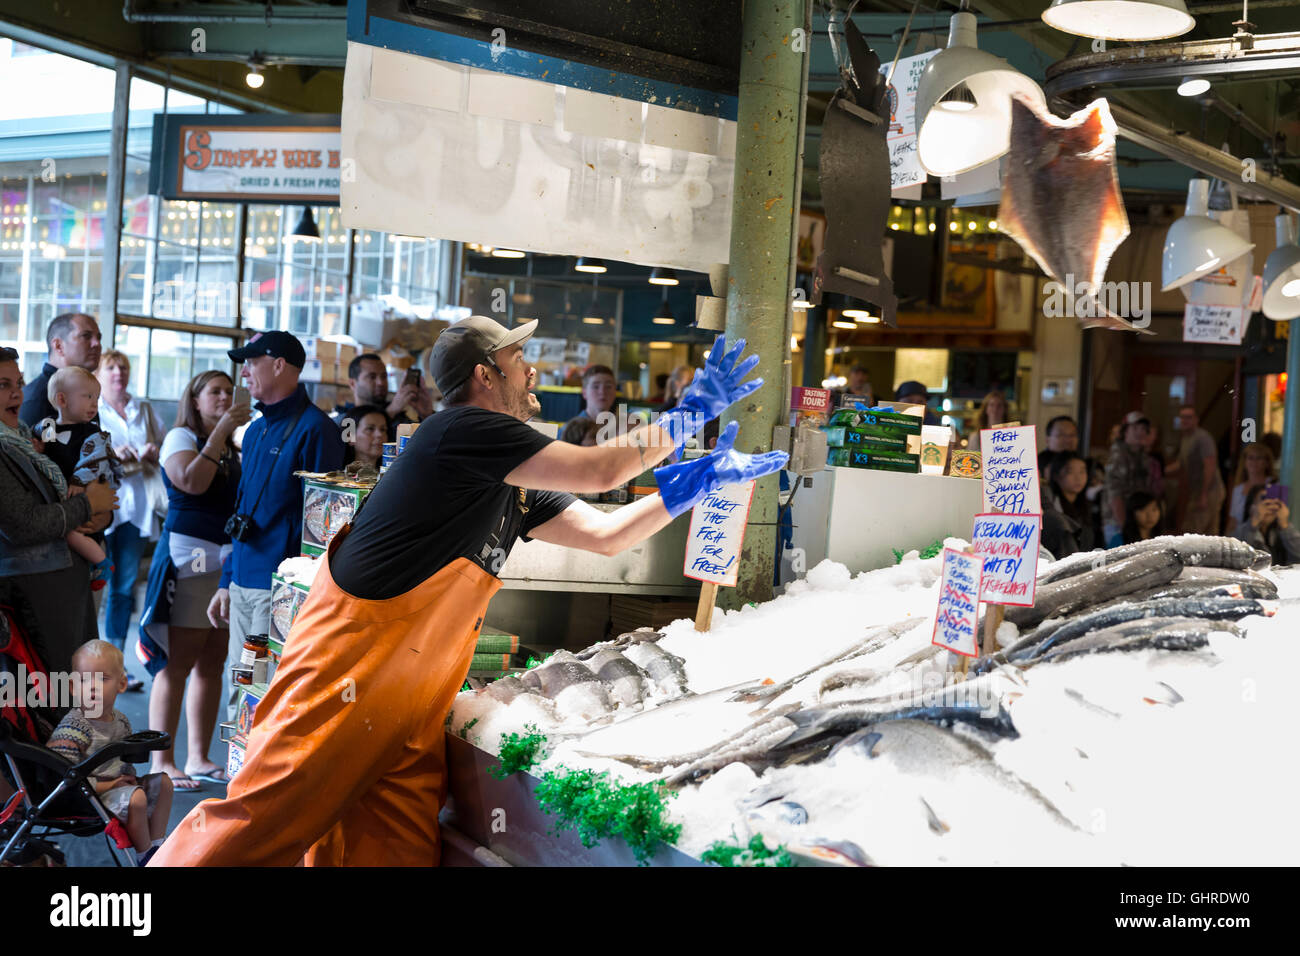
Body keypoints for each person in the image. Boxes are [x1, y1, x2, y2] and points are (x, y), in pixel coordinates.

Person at [150, 318, 786, 867]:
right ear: (485, 375)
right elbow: (601, 471)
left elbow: (606, 536)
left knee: (388, 847)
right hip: (341, 678)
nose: (531, 370)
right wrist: (693, 411)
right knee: (257, 824)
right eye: (518, 359)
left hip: (410, 703)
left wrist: (691, 488)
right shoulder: (461, 430)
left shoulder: (510, 474)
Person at [209, 331, 345, 722]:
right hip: (243, 581)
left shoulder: (318, 430)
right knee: (239, 683)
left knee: (268, 689)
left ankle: (262, 778)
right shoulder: (253, 431)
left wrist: (306, 590)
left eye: (252, 362)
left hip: (282, 586)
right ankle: (240, 776)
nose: (245, 372)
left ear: (279, 365)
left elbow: (325, 523)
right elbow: (242, 512)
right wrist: (225, 581)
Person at [139, 369, 249, 791]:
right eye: (214, 392)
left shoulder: (230, 448)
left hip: (223, 561)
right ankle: (161, 760)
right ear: (195, 398)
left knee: (213, 662)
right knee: (177, 662)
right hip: (188, 559)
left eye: (227, 391)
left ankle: (199, 756)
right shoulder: (181, 438)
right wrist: (222, 430)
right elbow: (191, 482)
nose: (223, 398)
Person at [0, 347, 117, 674]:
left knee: (70, 694)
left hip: (57, 590)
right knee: (49, 701)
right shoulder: (12, 444)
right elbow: (24, 524)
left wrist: (99, 512)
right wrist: (88, 504)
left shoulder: (22, 438)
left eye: (19, 383)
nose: (16, 393)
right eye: (3, 385)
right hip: (33, 598)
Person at [47, 640, 173, 865]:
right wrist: (111, 785)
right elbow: (62, 779)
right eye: (85, 680)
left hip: (121, 787)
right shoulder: (74, 727)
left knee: (164, 783)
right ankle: (146, 855)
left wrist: (127, 779)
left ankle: (157, 843)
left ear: (122, 684)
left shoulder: (121, 721)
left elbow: (122, 760)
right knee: (137, 798)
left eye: (102, 679)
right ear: (73, 687)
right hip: (88, 796)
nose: (92, 687)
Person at [95, 350, 166, 692]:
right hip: (100, 511)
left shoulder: (144, 409)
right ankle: (86, 664)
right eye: (111, 367)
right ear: (98, 374)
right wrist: (110, 454)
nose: (118, 372)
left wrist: (153, 450)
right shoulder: (93, 410)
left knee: (122, 588)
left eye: (122, 366)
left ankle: (115, 666)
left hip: (136, 511)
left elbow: (168, 446)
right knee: (92, 590)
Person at [19, 312, 102, 429]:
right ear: (58, 346)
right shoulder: (37, 400)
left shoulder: (85, 390)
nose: (97, 344)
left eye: (99, 337)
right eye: (86, 336)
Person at [333, 353, 431, 441]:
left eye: (384, 377)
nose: (380, 383)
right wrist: (390, 412)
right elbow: (349, 451)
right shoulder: (345, 421)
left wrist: (426, 415)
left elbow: (425, 446)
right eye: (372, 377)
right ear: (352, 384)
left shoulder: (400, 420)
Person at [1169, 404, 1225, 535]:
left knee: (1194, 531)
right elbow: (1180, 464)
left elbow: (1209, 465)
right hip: (1198, 491)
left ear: (1196, 419)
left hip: (1210, 491)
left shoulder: (1202, 438)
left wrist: (1204, 494)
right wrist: (1161, 471)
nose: (1185, 420)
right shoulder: (1186, 438)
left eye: (1188, 417)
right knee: (1204, 532)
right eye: (1182, 417)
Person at [1102, 411, 1155, 548]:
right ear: (1125, 431)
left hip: (1136, 522)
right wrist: (1126, 528)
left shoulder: (1142, 455)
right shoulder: (1118, 456)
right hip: (1118, 523)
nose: (1140, 432)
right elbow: (1115, 496)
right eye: (1135, 428)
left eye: (1144, 429)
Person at [1041, 452, 1098, 558]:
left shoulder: (1087, 505)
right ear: (1056, 475)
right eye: (1070, 472)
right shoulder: (1050, 504)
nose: (1078, 478)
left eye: (1082, 471)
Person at [1231, 488, 1300, 566]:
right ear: (1251, 507)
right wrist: (1253, 524)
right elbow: (1237, 557)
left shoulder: (1283, 531)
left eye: (1275, 502)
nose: (1270, 507)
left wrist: (1284, 526)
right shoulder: (1240, 532)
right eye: (1264, 499)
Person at [1228, 442, 1276, 527]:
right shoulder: (1238, 489)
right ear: (1245, 462)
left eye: (1259, 458)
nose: (1254, 462)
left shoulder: (1273, 485)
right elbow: (1233, 520)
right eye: (1250, 458)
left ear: (1267, 463)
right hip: (1240, 536)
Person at [565, 365, 617, 433]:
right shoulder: (570, 432)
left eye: (608, 386)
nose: (602, 392)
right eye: (595, 387)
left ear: (615, 392)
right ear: (584, 393)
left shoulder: (622, 431)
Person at [338, 403, 389, 470]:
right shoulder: (334, 477)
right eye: (370, 429)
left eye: (383, 429)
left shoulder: (393, 475)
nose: (379, 434)